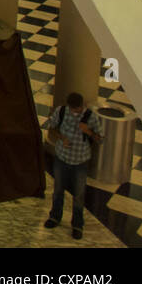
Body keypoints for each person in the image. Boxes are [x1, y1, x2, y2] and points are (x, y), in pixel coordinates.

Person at [43, 91, 104, 240]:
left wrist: (88, 131)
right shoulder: (61, 111)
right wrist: (62, 138)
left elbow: (100, 139)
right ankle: (55, 217)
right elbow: (52, 127)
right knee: (58, 190)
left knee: (78, 195)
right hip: (62, 158)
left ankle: (77, 225)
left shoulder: (91, 117)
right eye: (72, 108)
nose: (74, 112)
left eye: (76, 109)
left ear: (81, 106)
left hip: (80, 161)